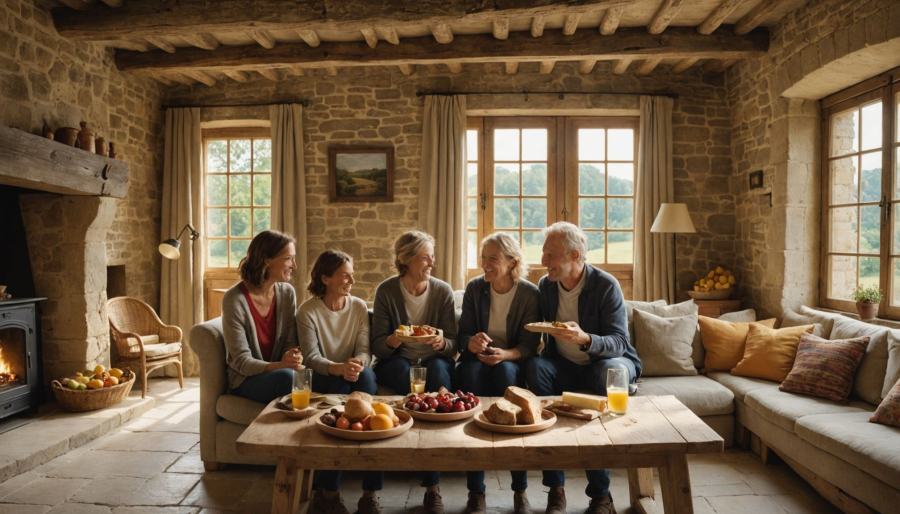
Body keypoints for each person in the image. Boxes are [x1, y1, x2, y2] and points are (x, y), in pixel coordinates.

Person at [526, 222, 642, 514]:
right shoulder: (546, 286)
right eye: (544, 253)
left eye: (550, 255)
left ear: (575, 255)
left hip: (604, 362)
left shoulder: (605, 285)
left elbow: (619, 342)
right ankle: (556, 489)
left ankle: (602, 496)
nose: (543, 261)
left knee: (609, 371)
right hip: (563, 365)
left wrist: (585, 339)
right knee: (536, 368)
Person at [371, 230, 458, 514]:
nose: (432, 263)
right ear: (405, 259)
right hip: (397, 361)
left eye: (432, 257)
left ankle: (433, 486)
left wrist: (441, 343)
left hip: (435, 360)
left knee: (440, 373)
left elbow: (453, 344)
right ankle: (373, 487)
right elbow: (378, 346)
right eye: (425, 258)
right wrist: (395, 338)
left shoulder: (442, 291)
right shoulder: (386, 291)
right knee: (400, 371)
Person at [456, 232, 541, 514]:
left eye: (493, 258)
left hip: (511, 360)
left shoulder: (529, 293)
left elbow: (529, 345)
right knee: (470, 378)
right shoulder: (475, 287)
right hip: (476, 360)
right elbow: (463, 335)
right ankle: (476, 491)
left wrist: (505, 354)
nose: (485, 264)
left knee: (507, 378)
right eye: (483, 258)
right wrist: (471, 343)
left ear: (512, 262)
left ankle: (520, 490)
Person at [298, 249, 383, 514]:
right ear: (325, 278)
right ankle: (329, 492)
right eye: (345, 276)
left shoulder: (358, 306)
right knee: (340, 390)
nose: (352, 281)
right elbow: (311, 358)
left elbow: (365, 350)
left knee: (367, 385)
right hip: (325, 376)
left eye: (352, 275)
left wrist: (356, 364)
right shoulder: (308, 311)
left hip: (354, 371)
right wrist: (339, 368)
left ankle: (369, 494)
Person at [222, 230, 303, 405]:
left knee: (326, 379)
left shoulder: (287, 293)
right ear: (267, 260)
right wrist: (281, 365)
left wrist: (292, 357)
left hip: (281, 371)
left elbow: (290, 344)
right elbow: (242, 362)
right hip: (246, 379)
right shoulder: (234, 299)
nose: (294, 265)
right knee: (288, 378)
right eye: (288, 259)